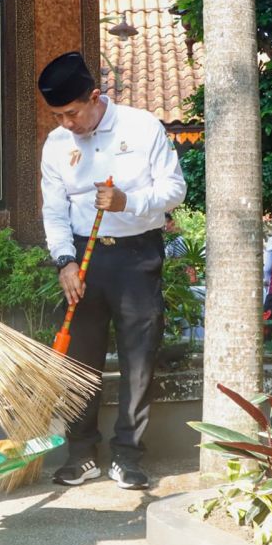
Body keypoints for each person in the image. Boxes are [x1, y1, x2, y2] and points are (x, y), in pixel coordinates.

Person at [38, 51, 186, 490]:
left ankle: (128, 456)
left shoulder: (143, 127)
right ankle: (82, 453)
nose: (67, 123)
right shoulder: (56, 144)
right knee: (81, 361)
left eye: (72, 112)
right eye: (58, 115)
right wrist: (64, 260)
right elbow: (54, 210)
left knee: (139, 358)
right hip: (83, 258)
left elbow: (174, 189)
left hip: (137, 256)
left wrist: (128, 202)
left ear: (96, 97)